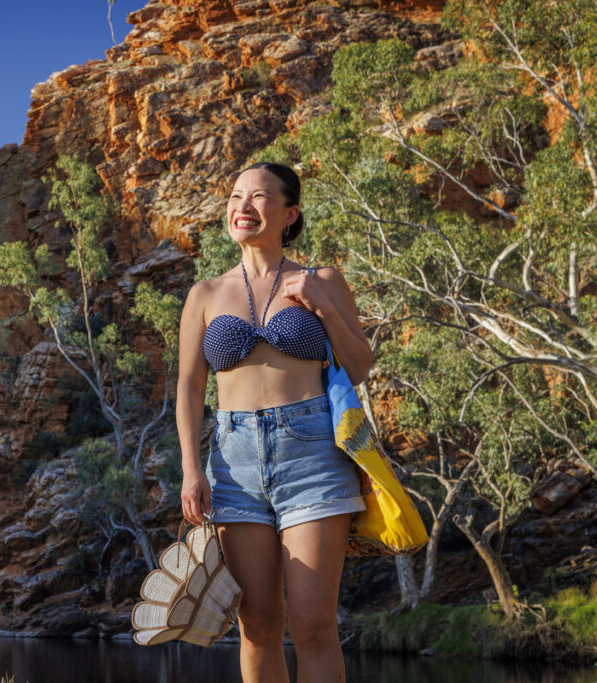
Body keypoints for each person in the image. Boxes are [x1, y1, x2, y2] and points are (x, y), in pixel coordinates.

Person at [176, 161, 374, 682]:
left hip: (312, 453)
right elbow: (189, 389)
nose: (242, 206)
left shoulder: (323, 280)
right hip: (234, 462)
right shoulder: (205, 295)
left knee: (313, 625)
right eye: (235, 195)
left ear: (290, 214)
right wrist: (191, 471)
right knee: (258, 624)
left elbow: (360, 365)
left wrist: (322, 308)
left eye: (259, 196)